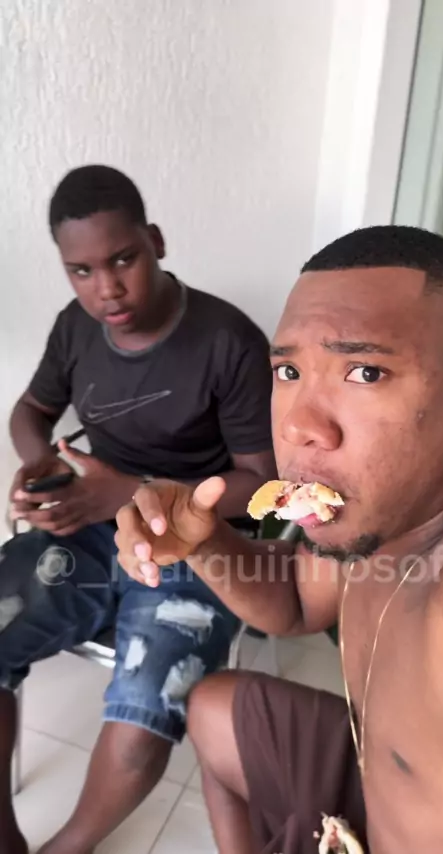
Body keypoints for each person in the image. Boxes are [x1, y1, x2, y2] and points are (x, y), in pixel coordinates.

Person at [116, 224, 443, 854]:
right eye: (288, 370)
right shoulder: (379, 513)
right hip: (370, 779)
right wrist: (203, 542)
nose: (299, 426)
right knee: (213, 710)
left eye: (365, 371)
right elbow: (294, 600)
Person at [0, 164, 276, 854]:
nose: (107, 289)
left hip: (199, 545)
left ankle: (69, 848)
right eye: (81, 271)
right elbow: (31, 410)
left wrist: (129, 489)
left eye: (122, 259)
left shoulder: (228, 341)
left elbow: (262, 484)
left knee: (143, 711)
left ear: (155, 241)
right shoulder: (76, 328)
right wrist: (40, 464)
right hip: (94, 529)